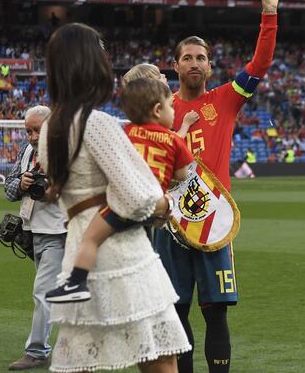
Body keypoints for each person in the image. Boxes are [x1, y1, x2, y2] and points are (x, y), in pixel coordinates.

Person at [37, 22, 191, 373]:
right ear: (90, 63)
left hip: (78, 250)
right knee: (160, 357)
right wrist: (163, 206)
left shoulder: (49, 128)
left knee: (83, 359)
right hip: (123, 254)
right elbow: (139, 196)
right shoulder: (98, 123)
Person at [154, 0, 281, 373]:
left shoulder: (226, 98)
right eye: (187, 58)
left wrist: (269, 14)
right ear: (175, 66)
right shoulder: (160, 109)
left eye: (201, 58)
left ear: (210, 66)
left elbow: (260, 64)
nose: (195, 63)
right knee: (176, 313)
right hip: (170, 223)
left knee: (216, 314)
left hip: (214, 222)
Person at [46, 76, 194, 303]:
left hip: (121, 205)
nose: (174, 112)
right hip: (150, 206)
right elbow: (183, 174)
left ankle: (76, 280)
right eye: (171, 106)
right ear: (157, 110)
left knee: (90, 239)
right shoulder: (174, 139)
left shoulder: (128, 133)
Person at [4, 105, 67, 371]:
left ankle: (37, 351)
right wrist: (21, 184)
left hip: (58, 231)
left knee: (42, 293)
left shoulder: (66, 152)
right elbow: (9, 188)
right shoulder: (27, 151)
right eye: (28, 130)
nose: (30, 136)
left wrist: (54, 189)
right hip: (33, 231)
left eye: (36, 130)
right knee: (55, 293)